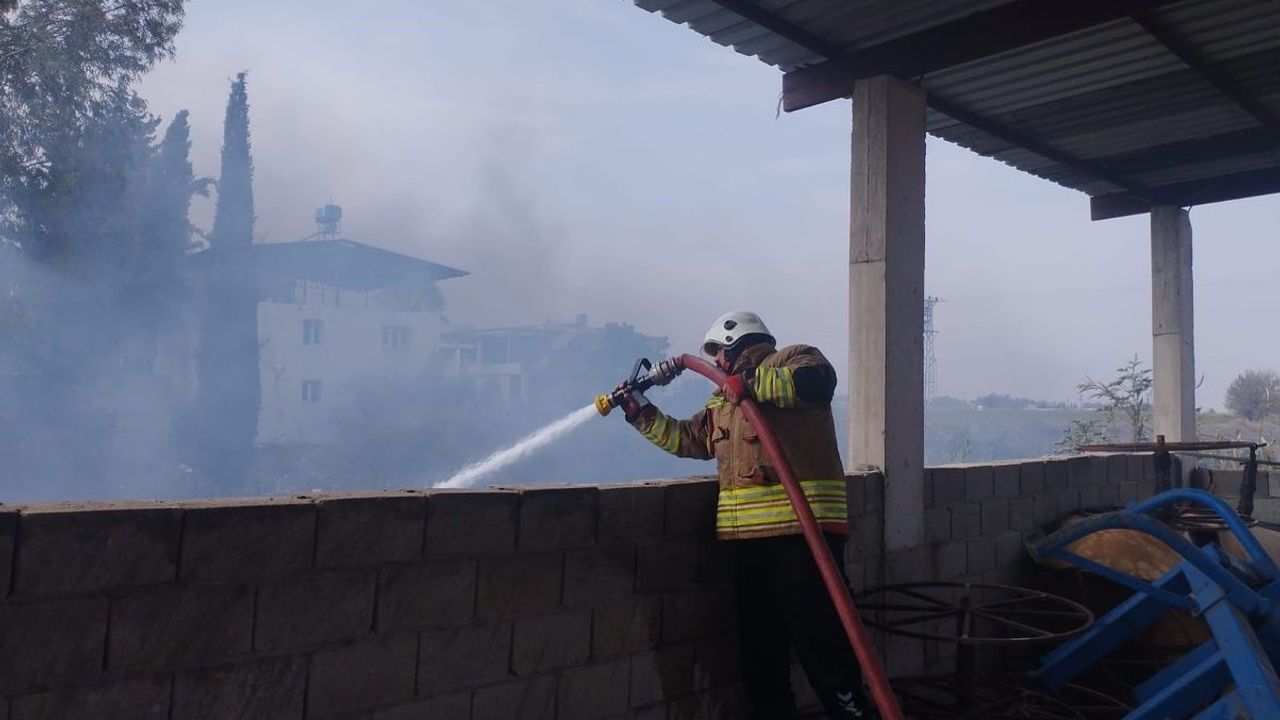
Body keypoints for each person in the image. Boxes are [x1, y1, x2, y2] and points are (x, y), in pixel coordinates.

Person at [615, 310, 873, 720]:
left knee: (825, 652)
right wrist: (640, 412)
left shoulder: (794, 359)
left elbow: (817, 384)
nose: (715, 362)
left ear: (738, 344)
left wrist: (748, 383)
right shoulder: (723, 401)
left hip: (803, 540)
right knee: (761, 659)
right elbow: (689, 440)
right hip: (749, 547)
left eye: (719, 352)